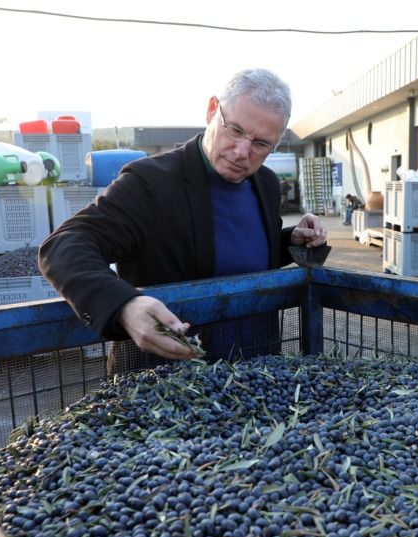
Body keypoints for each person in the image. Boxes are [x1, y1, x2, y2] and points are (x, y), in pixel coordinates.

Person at [38, 68, 327, 372]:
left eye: (260, 144)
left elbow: (239, 253)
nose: (242, 152)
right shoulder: (150, 182)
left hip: (254, 373)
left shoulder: (265, 183)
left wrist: (289, 240)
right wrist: (124, 305)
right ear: (212, 110)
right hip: (166, 383)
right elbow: (64, 245)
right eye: (235, 130)